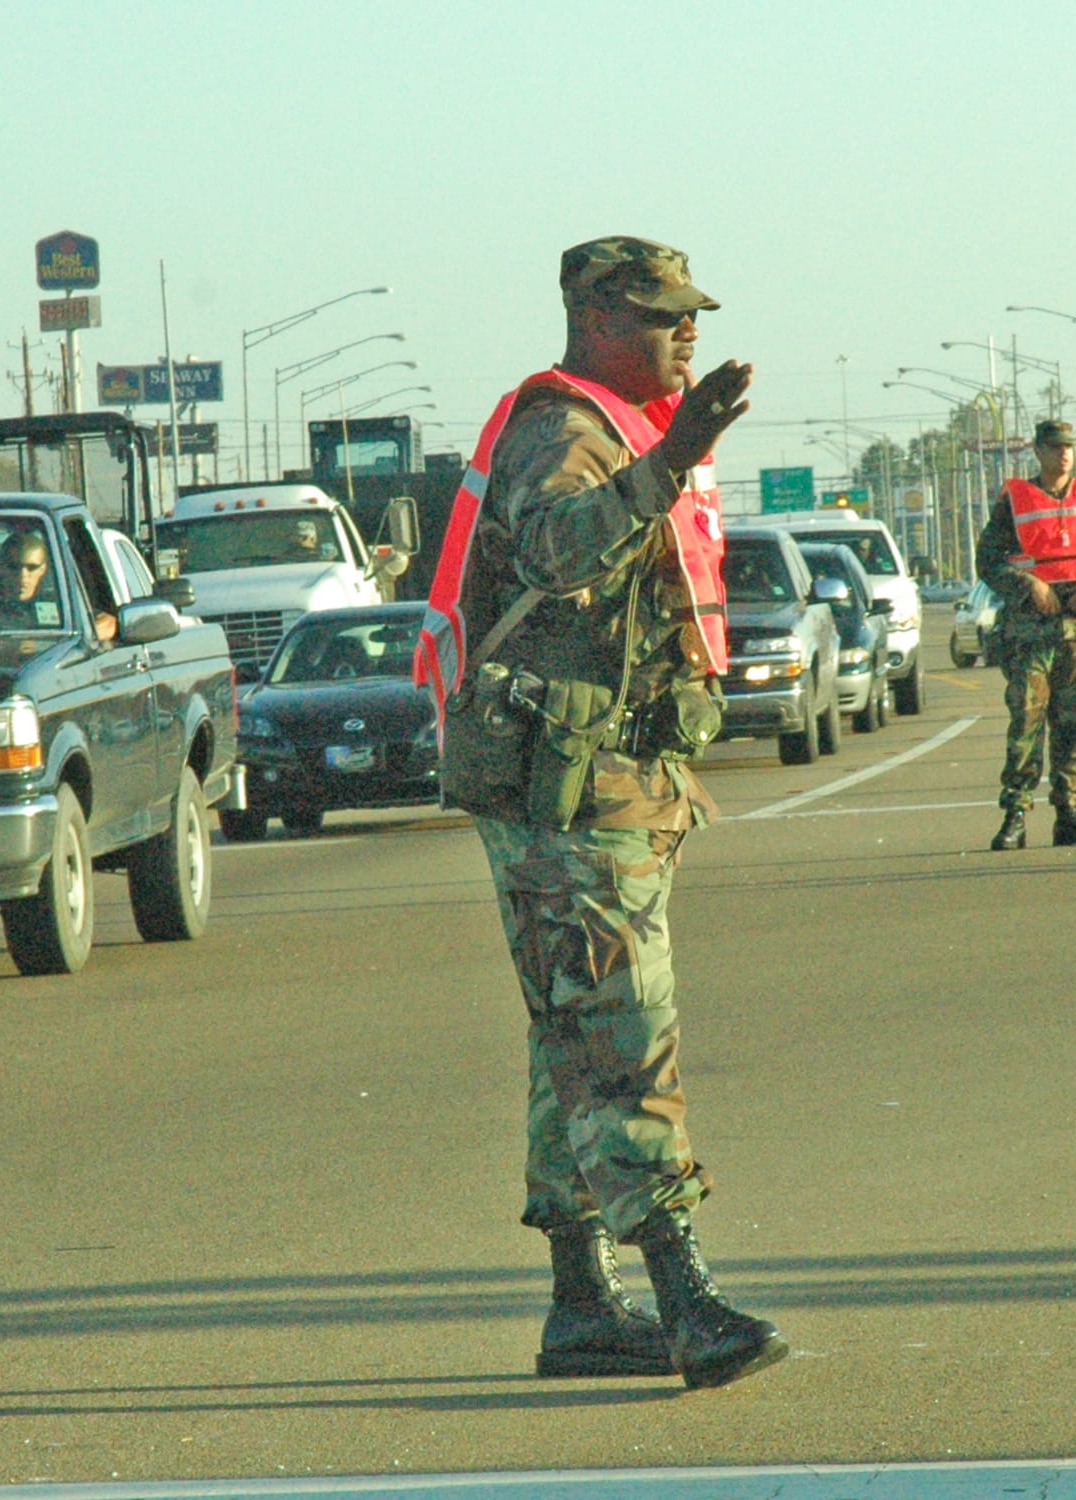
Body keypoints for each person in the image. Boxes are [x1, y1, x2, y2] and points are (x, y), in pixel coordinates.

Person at [414, 236, 786, 1390]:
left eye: (690, 313)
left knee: (571, 1042)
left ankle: (581, 1304)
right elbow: (553, 550)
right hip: (564, 790)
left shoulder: (625, 427)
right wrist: (667, 462)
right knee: (621, 1037)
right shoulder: (565, 429)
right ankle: (684, 1299)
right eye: (664, 315)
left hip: (611, 778)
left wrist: (669, 454)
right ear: (597, 320)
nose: (687, 331)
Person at [977, 418, 1076, 851]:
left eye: (1069, 447)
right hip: (1031, 633)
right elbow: (988, 561)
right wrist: (1029, 585)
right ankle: (1015, 814)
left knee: (1071, 725)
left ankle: (1068, 813)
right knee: (1026, 722)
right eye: (1055, 447)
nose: (1064, 454)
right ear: (1039, 451)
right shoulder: (1015, 501)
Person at [0, 531, 115, 640]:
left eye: (32, 567)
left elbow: (109, 622)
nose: (23, 575)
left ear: (43, 568)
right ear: (0, 566)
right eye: (14, 567)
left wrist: (82, 637)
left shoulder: (61, 604)